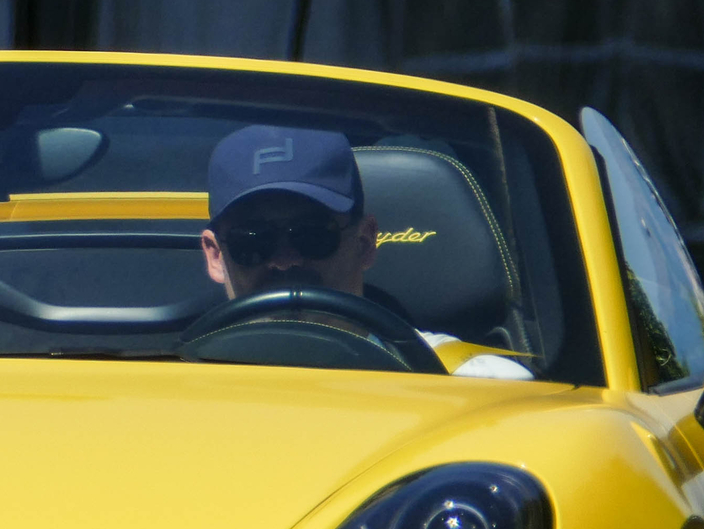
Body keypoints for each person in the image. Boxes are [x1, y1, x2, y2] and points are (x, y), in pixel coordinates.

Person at [197, 125, 532, 378]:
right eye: (253, 240)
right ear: (215, 256)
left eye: (313, 235)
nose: (286, 261)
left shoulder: (476, 383)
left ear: (365, 242)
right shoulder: (168, 389)